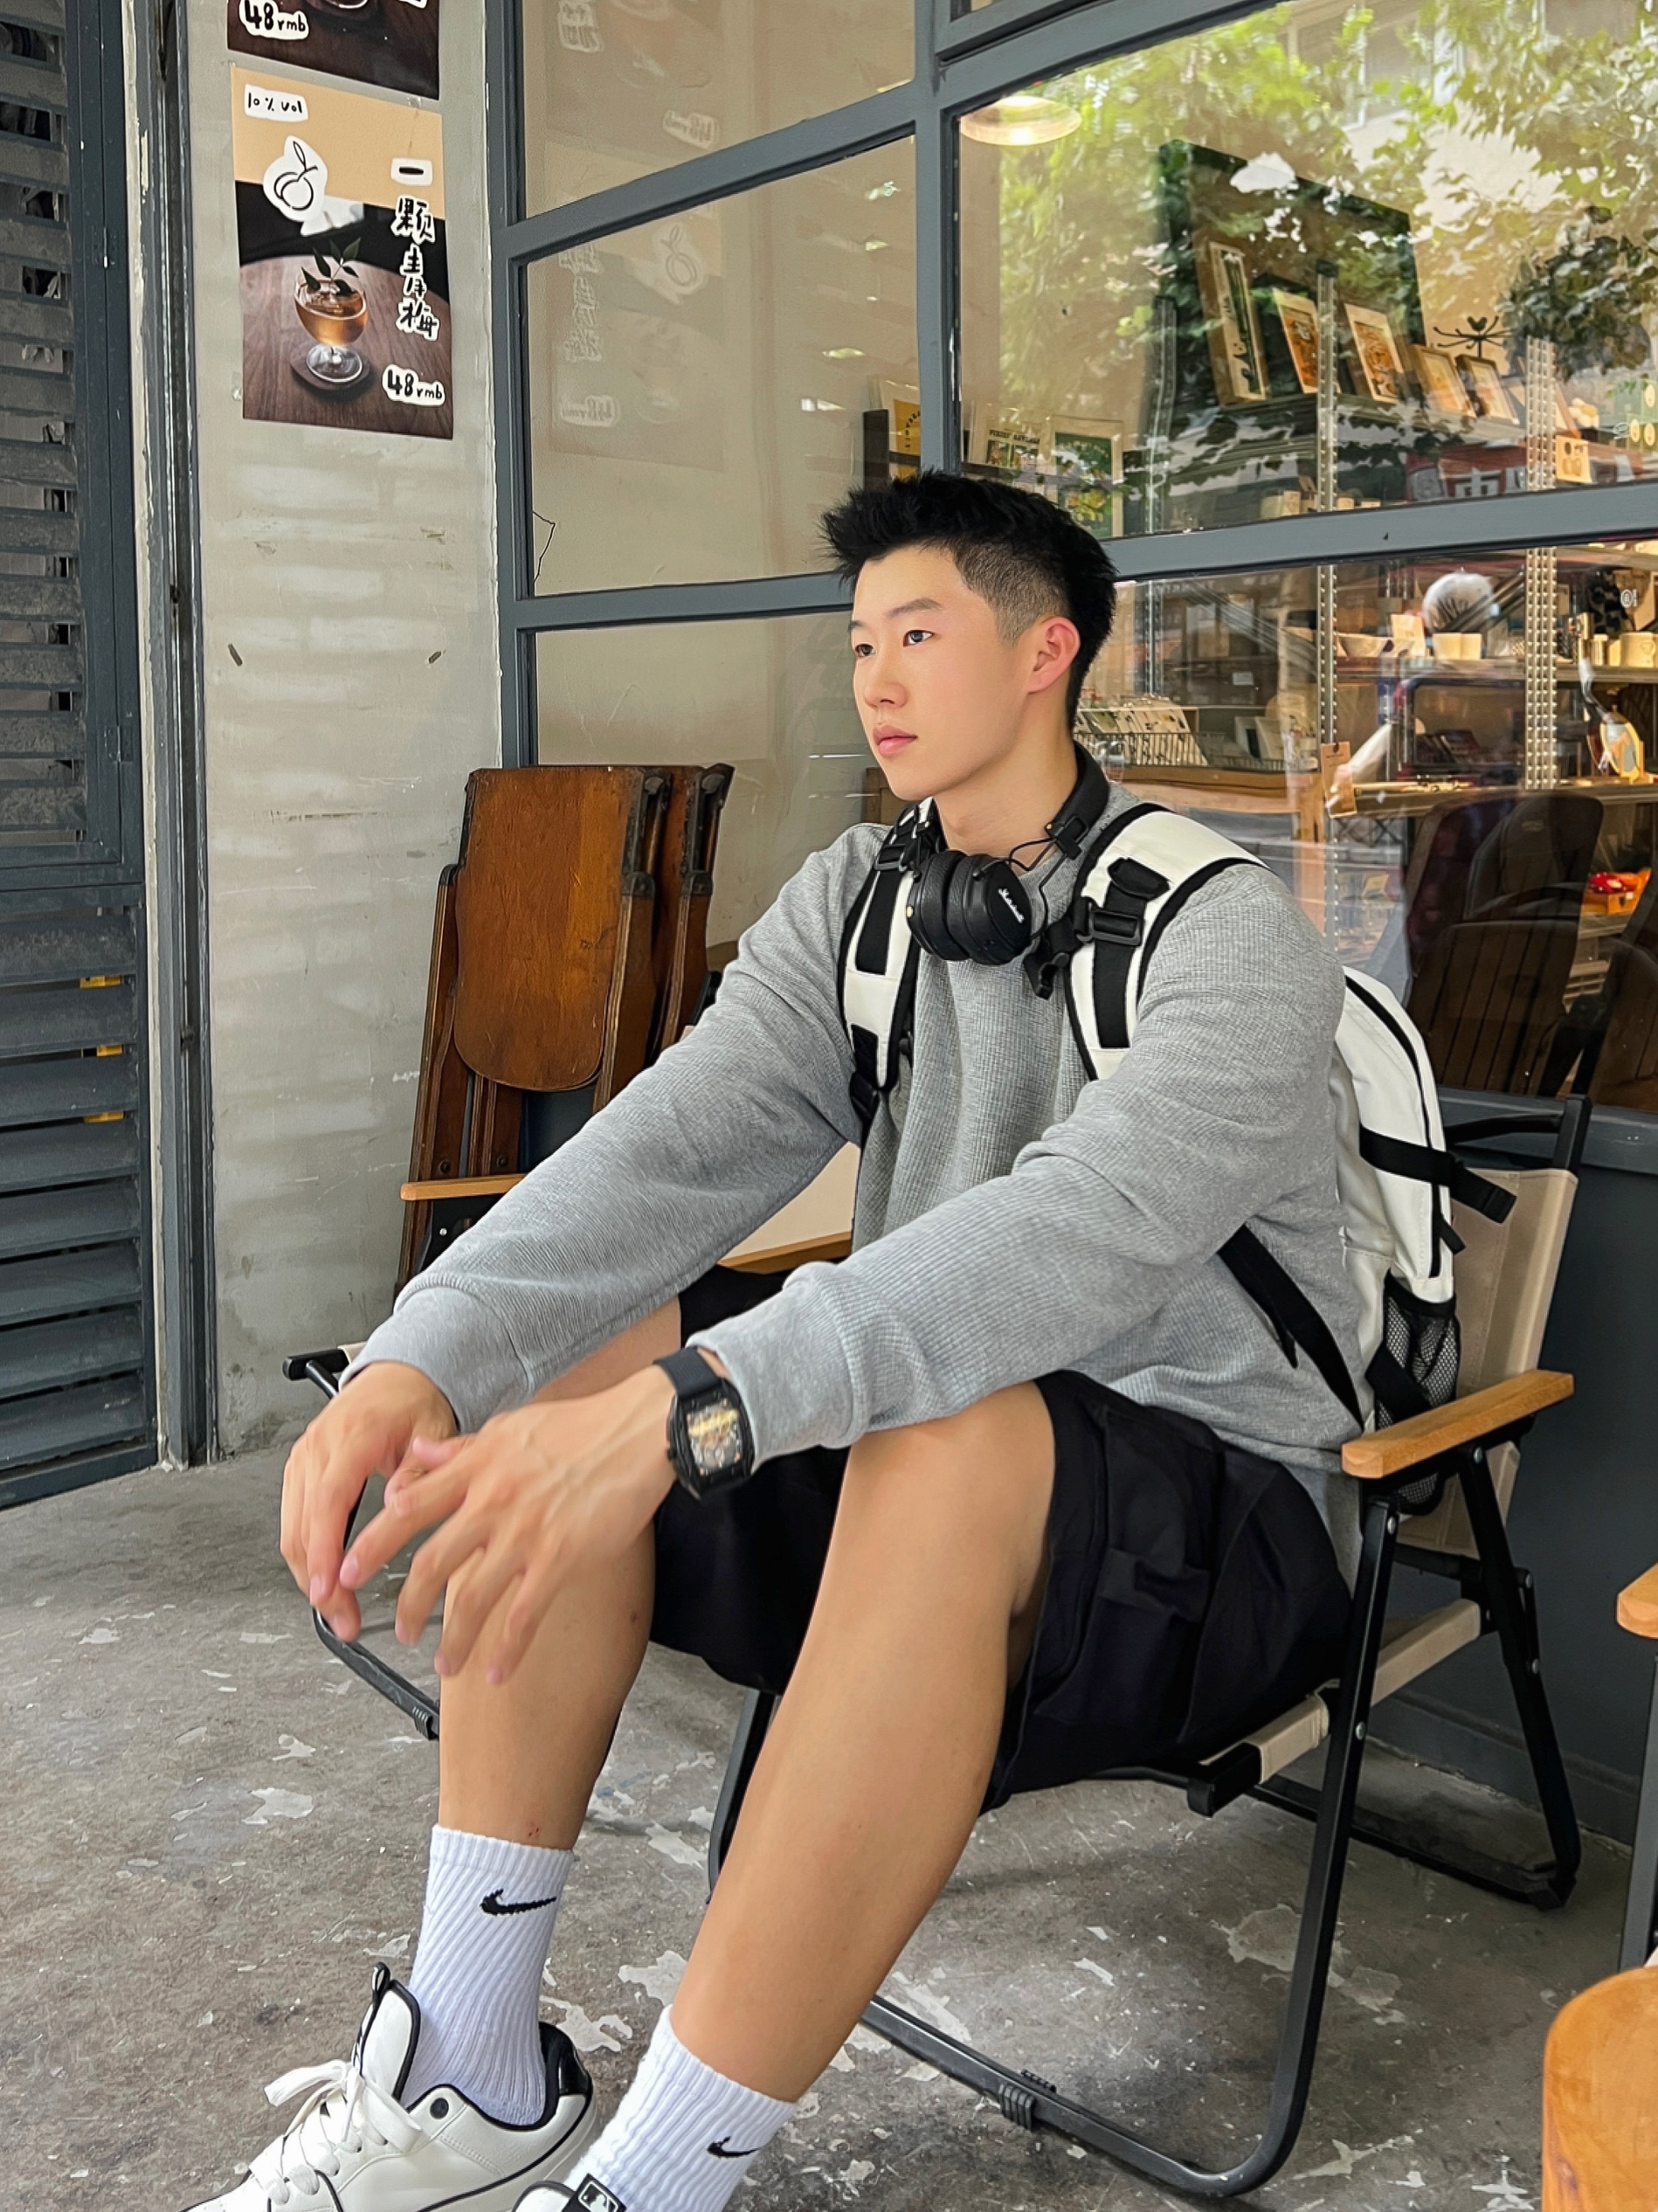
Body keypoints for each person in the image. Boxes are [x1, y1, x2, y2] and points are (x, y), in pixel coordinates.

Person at [189, 472, 1360, 2212]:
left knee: (923, 1427)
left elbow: (1080, 1228)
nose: (874, 678)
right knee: (585, 1351)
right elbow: (664, 1152)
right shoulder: (860, 902)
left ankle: (655, 2186)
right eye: (859, 642)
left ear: (1044, 652)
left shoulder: (1228, 937)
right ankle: (470, 2073)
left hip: (1214, 1539)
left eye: (919, 634)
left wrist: (708, 1403)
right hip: (919, 1489)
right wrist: (415, 1360)